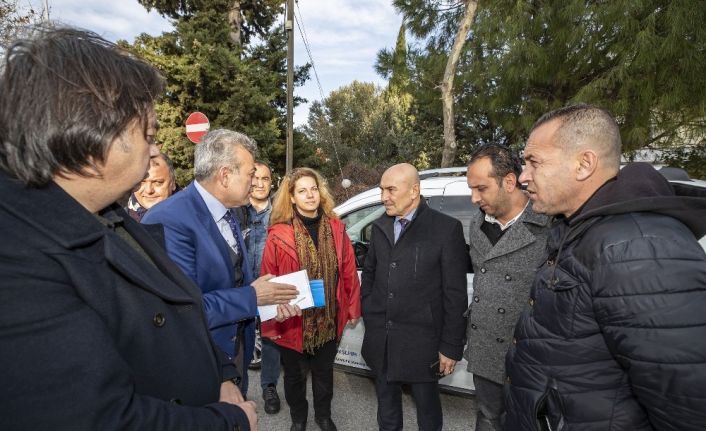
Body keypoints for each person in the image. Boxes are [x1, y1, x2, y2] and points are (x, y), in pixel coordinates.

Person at [0, 26, 256, 430]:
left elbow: (181, 309)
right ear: (92, 137)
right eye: (149, 135)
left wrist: (222, 372)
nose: (156, 150)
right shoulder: (16, 261)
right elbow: (98, 418)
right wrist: (229, 423)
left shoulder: (109, 216)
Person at [505, 104, 706, 431]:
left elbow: (688, 402)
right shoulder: (579, 230)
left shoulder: (637, 248)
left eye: (533, 163)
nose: (523, 177)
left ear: (584, 164)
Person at [142, 129, 300, 397]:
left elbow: (233, 279)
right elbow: (183, 310)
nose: (255, 182)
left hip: (235, 352)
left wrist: (268, 300)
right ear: (225, 175)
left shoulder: (229, 211)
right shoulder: (169, 219)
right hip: (200, 361)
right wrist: (253, 296)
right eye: (250, 174)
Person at [361, 163, 469, 431]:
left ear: (414, 191)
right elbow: (371, 274)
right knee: (386, 408)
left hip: (423, 344)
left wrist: (450, 347)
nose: (383, 196)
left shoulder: (446, 229)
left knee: (428, 412)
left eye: (390, 189)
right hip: (382, 340)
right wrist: (369, 308)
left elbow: (455, 295)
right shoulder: (379, 226)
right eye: (381, 190)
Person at [260, 167, 361, 431]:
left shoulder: (337, 229)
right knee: (294, 378)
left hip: (328, 318)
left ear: (321, 192)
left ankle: (323, 416)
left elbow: (349, 272)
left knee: (324, 375)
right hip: (292, 321)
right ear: (291, 197)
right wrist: (270, 322)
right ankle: (298, 419)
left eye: (314, 189)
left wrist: (352, 308)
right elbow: (267, 279)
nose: (310, 195)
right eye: (302, 191)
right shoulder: (278, 234)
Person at [463, 145, 550, 431]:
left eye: (481, 188)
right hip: (487, 349)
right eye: (471, 189)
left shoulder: (548, 224)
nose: (474, 198)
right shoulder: (477, 224)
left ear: (510, 182)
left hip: (530, 356)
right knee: (488, 417)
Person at [246, 161, 282, 414]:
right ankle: (236, 392)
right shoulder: (235, 212)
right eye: (255, 178)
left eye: (265, 179)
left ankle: (269, 387)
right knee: (239, 341)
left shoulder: (280, 215)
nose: (260, 183)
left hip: (270, 289)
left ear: (272, 182)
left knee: (270, 340)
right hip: (241, 289)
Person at [125, 152, 177, 221]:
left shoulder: (191, 216)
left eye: (158, 182)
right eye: (140, 182)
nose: (149, 190)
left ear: (173, 183)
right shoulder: (119, 220)